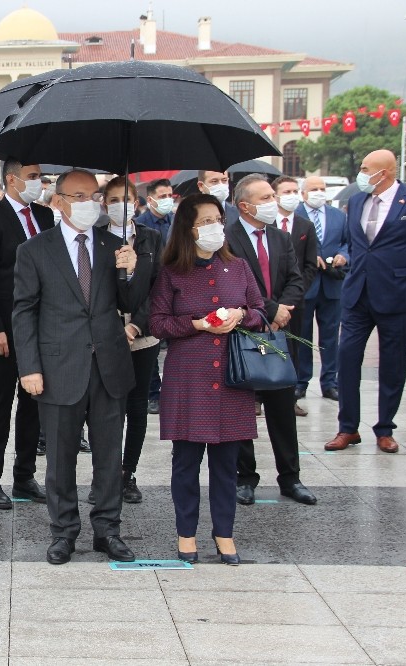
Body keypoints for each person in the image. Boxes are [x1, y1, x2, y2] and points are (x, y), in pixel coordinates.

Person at [13, 168, 149, 564]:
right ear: (57, 202)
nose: (89, 203)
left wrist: (131, 269)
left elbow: (131, 302)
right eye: (78, 196)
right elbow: (24, 313)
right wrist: (30, 367)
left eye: (94, 195)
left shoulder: (114, 245)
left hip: (109, 365)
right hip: (58, 367)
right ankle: (64, 532)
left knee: (110, 456)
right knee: (60, 457)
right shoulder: (35, 250)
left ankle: (108, 530)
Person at [149, 193, 265, 566]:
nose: (215, 226)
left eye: (218, 219)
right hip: (188, 377)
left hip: (231, 378)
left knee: (226, 464)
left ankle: (224, 534)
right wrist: (196, 324)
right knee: (185, 462)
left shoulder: (239, 267)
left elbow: (260, 310)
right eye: (205, 221)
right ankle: (186, 534)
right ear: (188, 228)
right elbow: (158, 323)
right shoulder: (171, 273)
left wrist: (239, 315)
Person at [226, 174, 316, 506]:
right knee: (242, 410)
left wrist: (283, 309)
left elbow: (296, 278)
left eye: (272, 197)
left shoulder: (280, 237)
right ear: (245, 205)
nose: (272, 203)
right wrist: (270, 310)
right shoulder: (227, 239)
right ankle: (245, 477)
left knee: (282, 408)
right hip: (244, 332)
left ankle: (290, 478)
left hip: (279, 335)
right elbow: (232, 287)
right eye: (265, 198)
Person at [325, 149, 406, 454]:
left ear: (387, 172)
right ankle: (348, 428)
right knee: (347, 359)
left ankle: (384, 429)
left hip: (397, 293)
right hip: (356, 293)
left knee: (393, 364)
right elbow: (356, 245)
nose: (361, 174)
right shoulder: (356, 201)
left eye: (367, 169)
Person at [0, 159, 54, 510]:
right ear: (12, 179)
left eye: (40, 177)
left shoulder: (46, 217)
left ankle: (24, 475)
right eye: (33, 177)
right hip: (5, 328)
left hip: (42, 326)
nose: (39, 182)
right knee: (0, 403)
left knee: (33, 402)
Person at [98, 176, 164, 503]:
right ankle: (106, 473)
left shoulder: (152, 239)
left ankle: (128, 473)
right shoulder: (95, 239)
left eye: (125, 199)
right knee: (109, 408)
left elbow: (160, 290)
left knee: (137, 408)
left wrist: (135, 326)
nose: (119, 206)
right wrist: (114, 328)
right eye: (112, 200)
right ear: (103, 204)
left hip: (142, 336)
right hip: (105, 336)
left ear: (136, 203)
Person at [295, 176, 348, 401]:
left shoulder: (338, 216)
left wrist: (343, 256)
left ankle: (330, 382)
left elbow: (348, 242)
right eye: (314, 189)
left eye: (322, 189)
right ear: (303, 193)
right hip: (306, 285)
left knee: (330, 337)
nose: (319, 192)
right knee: (302, 336)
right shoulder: (295, 215)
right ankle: (300, 382)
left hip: (332, 285)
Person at [272, 176, 319, 416]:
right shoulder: (266, 222)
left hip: (295, 301)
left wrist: (295, 293)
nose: (292, 195)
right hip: (267, 300)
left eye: (294, 190)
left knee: (293, 348)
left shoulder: (304, 225)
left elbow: (310, 265)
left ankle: (291, 396)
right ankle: (260, 396)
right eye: (286, 191)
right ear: (275, 195)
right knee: (264, 346)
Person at [136, 178, 174, 415]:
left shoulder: (176, 222)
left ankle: (170, 391)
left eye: (170, 195)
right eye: (162, 196)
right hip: (149, 292)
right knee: (151, 344)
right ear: (150, 200)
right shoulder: (142, 226)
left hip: (172, 287)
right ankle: (153, 394)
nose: (168, 200)